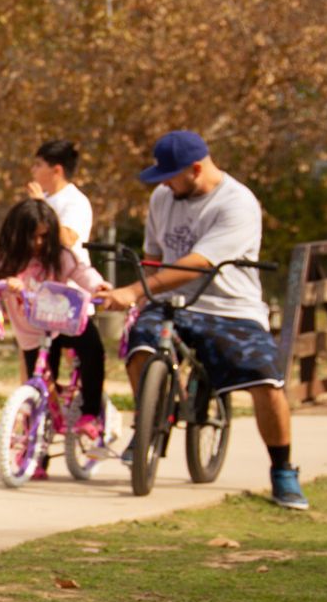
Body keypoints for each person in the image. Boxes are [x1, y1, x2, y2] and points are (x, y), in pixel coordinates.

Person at [98, 131, 309, 511]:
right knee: (139, 346)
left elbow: (198, 264)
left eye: (170, 175)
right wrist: (139, 290)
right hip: (170, 303)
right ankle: (149, 420)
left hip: (229, 308)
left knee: (267, 380)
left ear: (196, 169)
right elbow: (154, 256)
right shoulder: (163, 197)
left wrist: (133, 291)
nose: (163, 183)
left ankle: (283, 470)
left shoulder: (238, 203)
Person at [0, 199, 106, 479]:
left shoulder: (60, 257)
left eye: (44, 236)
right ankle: (35, 456)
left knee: (93, 351)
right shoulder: (3, 260)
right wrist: (7, 284)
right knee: (38, 391)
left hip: (66, 322)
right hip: (32, 331)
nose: (39, 242)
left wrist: (98, 286)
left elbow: (82, 273)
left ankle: (90, 413)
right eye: (33, 235)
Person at [21, 139, 109, 419]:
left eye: (38, 165)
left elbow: (69, 238)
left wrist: (38, 207)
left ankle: (91, 414)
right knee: (41, 365)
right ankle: (38, 435)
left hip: (72, 298)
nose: (33, 171)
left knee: (91, 353)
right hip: (43, 297)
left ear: (56, 169)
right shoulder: (45, 200)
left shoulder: (75, 201)